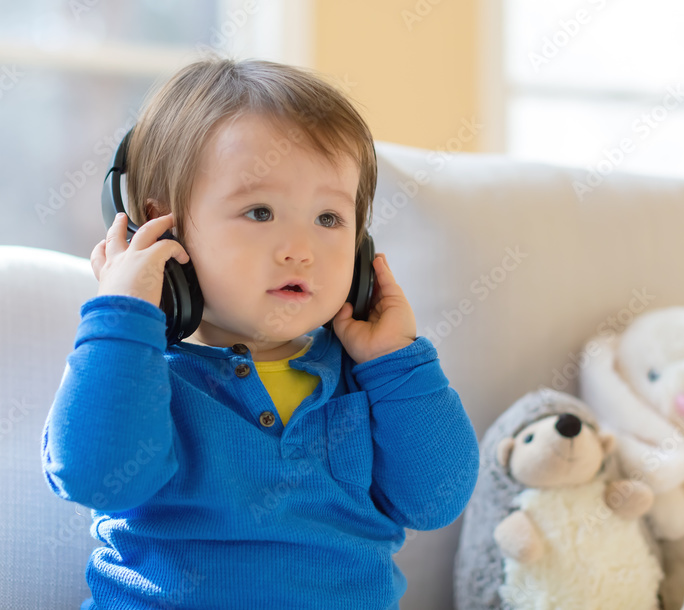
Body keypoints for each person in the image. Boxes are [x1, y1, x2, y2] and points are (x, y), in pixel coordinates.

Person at [41, 53, 480, 610]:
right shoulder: (136, 368)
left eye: (329, 219)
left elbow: (436, 499)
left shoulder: (368, 380)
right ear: (162, 227)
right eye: (259, 212)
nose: (300, 248)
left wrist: (396, 362)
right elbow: (96, 478)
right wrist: (121, 317)